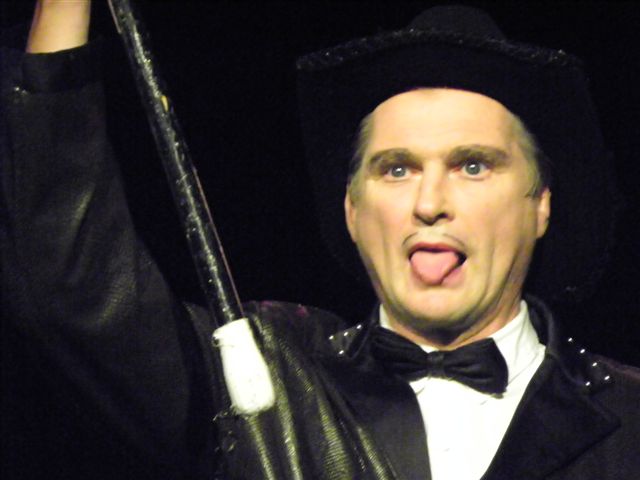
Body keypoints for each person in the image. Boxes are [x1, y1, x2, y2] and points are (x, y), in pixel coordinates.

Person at [2, 1, 639, 479]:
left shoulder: (630, 416)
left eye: (472, 166)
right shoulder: (267, 381)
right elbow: (71, 287)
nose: (429, 203)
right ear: (353, 212)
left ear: (540, 206)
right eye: (396, 169)